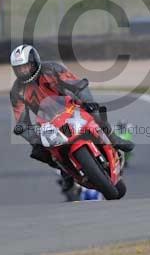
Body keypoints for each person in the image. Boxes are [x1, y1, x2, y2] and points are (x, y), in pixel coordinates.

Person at [9, 44, 134, 191]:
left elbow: (77, 85)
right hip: (47, 123)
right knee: (41, 151)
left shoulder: (52, 69)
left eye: (26, 66)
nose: (23, 71)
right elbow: (21, 119)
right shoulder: (17, 91)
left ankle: (114, 139)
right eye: (19, 69)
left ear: (35, 62)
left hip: (70, 107)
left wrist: (88, 102)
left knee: (96, 112)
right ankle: (64, 170)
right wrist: (31, 137)